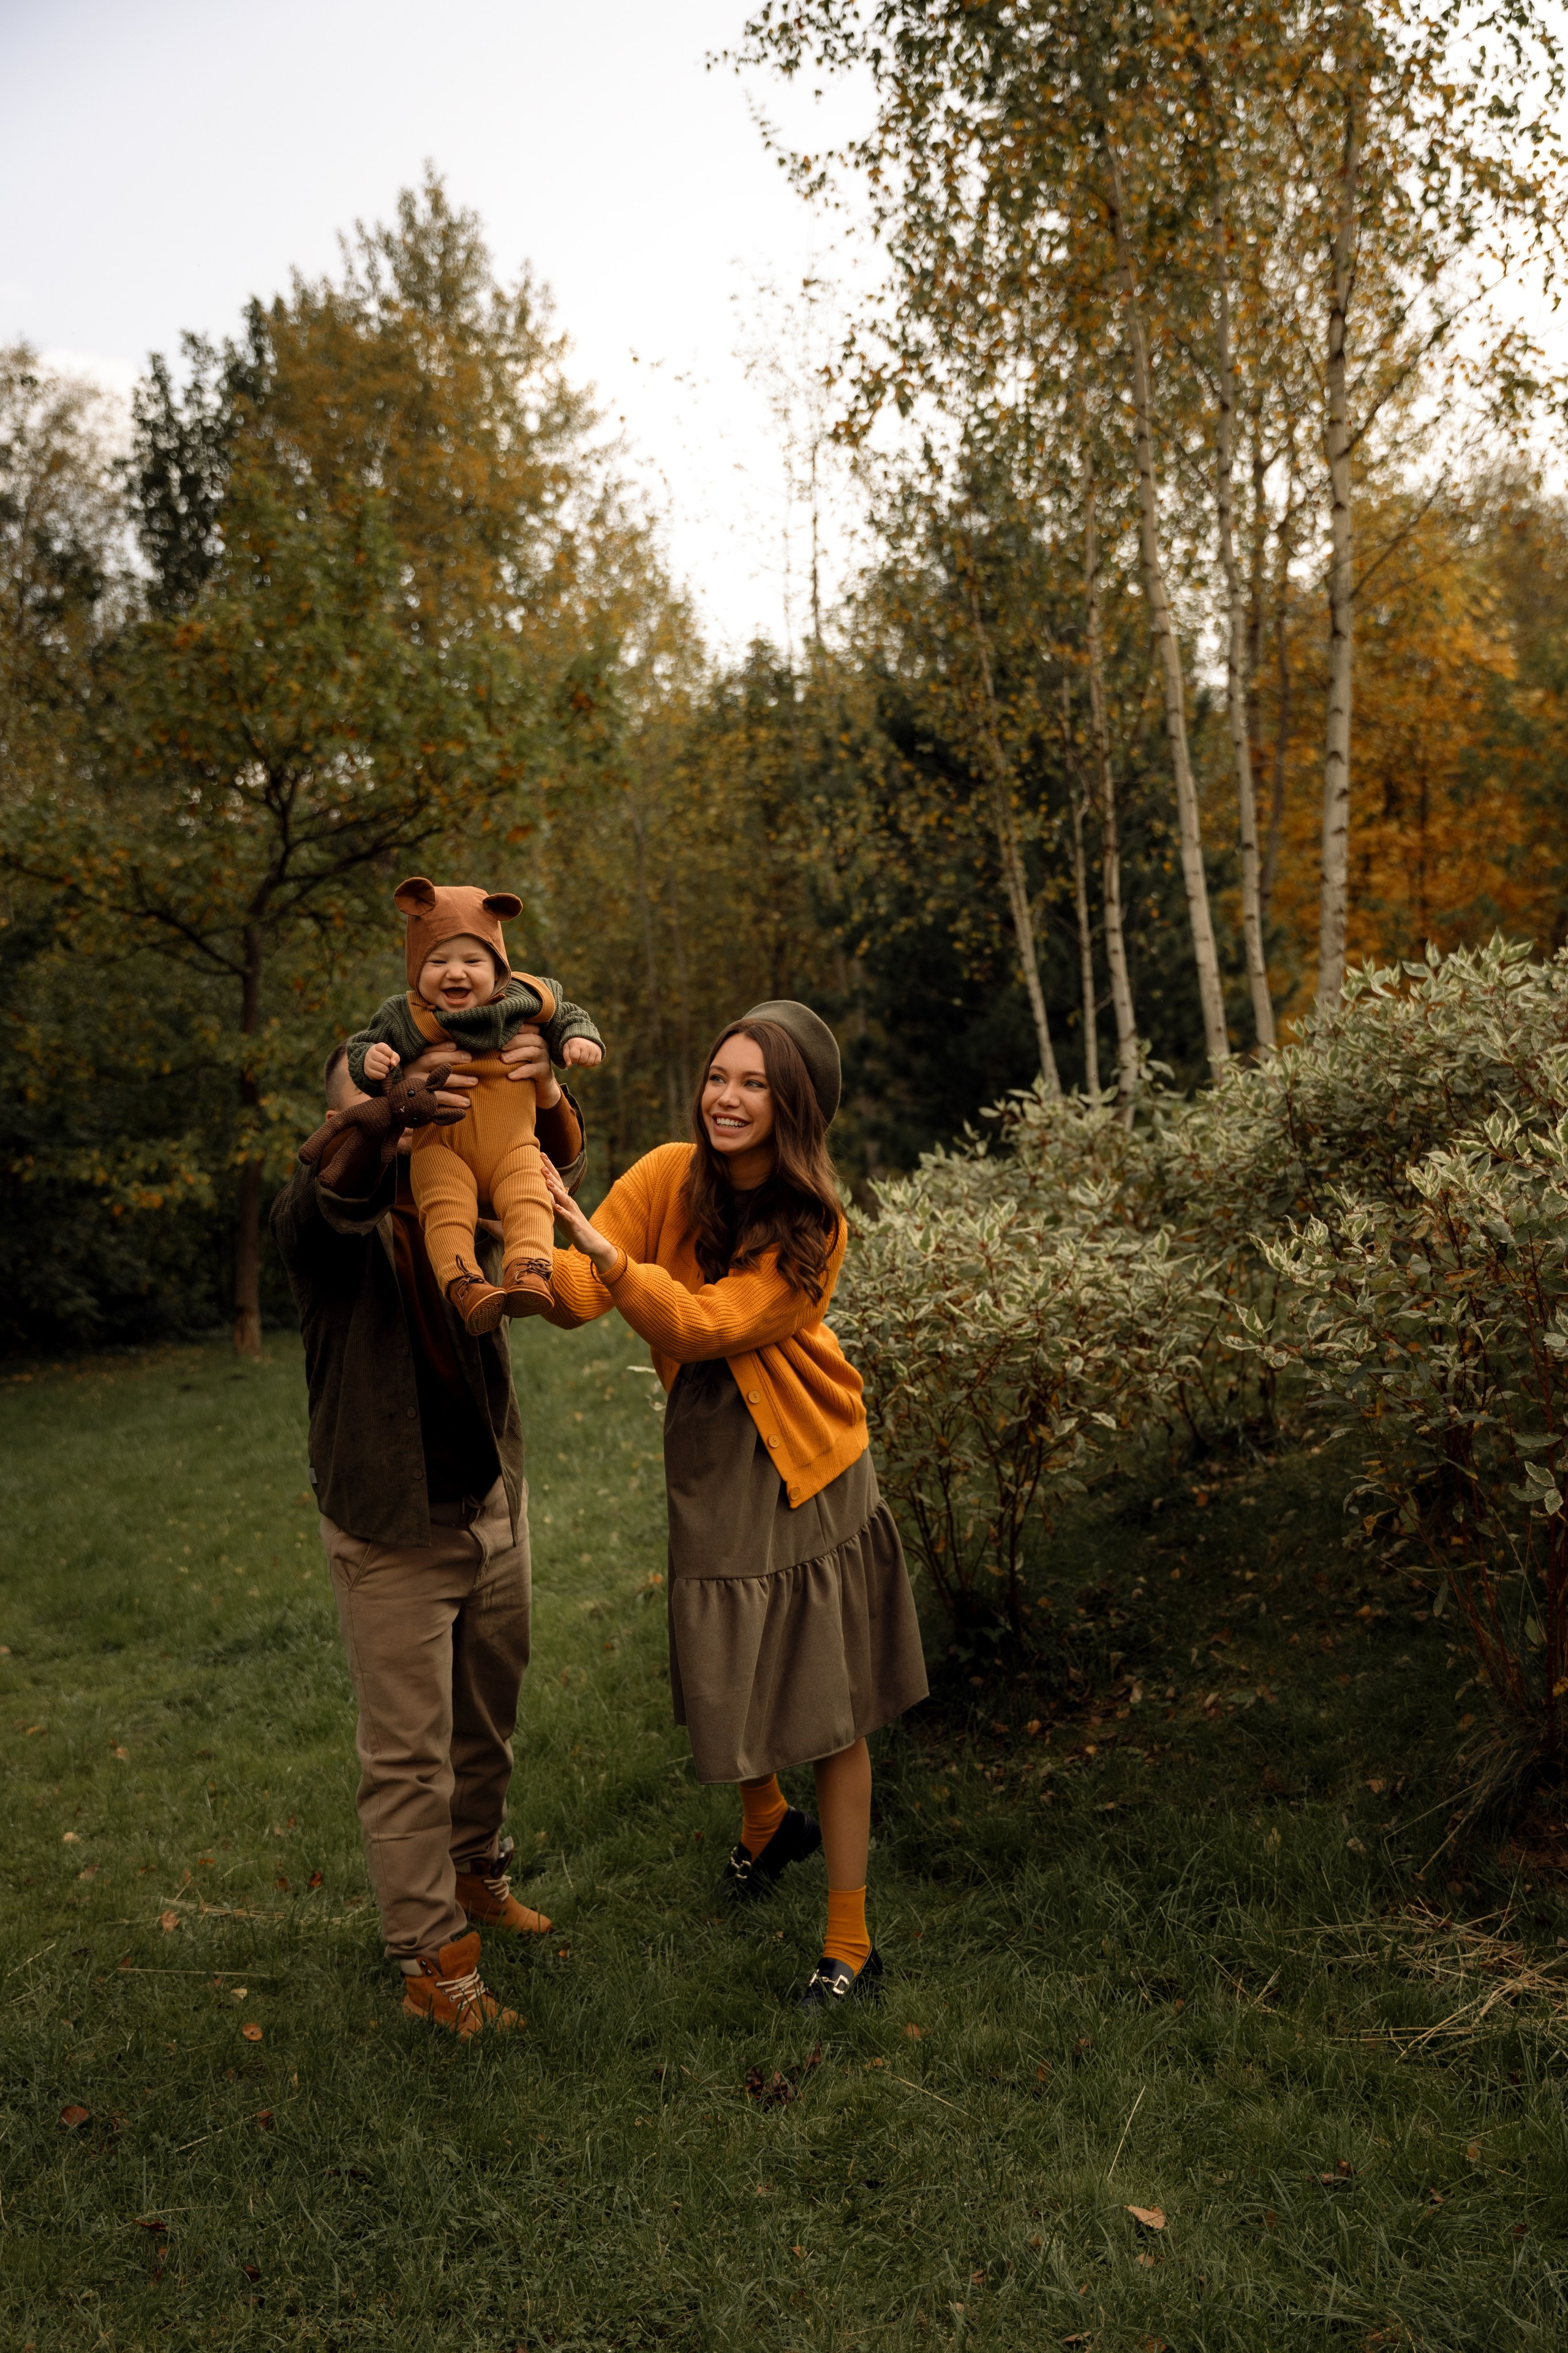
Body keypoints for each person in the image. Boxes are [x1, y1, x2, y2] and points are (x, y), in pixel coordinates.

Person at [540, 1001, 928, 2006]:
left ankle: (852, 1942)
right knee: (722, 1662)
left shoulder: (816, 1224)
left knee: (834, 1707)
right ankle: (768, 1820)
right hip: (714, 1451)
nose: (726, 1096)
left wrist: (611, 1260)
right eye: (720, 1075)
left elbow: (711, 1323)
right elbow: (585, 1295)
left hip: (807, 1461)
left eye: (754, 1083)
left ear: (791, 1102)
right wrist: (526, 1233)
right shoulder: (668, 1174)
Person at [270, 1024, 589, 2038]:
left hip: (489, 1502)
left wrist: (537, 1081)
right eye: (387, 1106)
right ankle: (431, 1964)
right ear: (345, 1124)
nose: (415, 1120)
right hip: (389, 1529)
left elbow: (545, 1165)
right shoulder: (317, 1225)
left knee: (485, 1719)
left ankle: (478, 1872)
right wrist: (383, 1115)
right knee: (409, 1758)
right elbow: (331, 1191)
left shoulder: (462, 1201)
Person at [346, 875, 604, 1334]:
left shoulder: (526, 999)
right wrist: (373, 1060)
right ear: (416, 968)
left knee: (529, 1193)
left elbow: (568, 1015)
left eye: (472, 959)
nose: (456, 972)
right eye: (438, 959)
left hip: (513, 1144)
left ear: (499, 966)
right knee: (445, 1208)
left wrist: (578, 1039)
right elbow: (362, 1046)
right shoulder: (407, 1018)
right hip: (444, 1149)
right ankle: (466, 1283)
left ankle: (529, 1269)